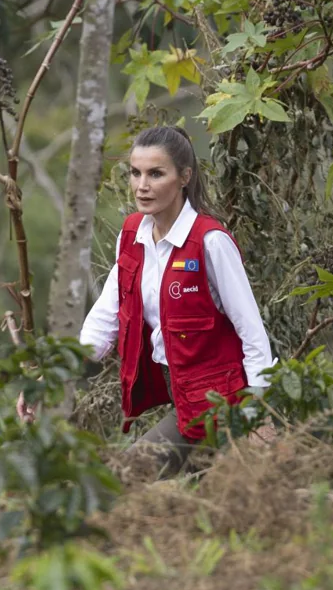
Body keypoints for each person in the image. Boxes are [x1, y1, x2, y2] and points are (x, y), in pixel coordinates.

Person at [24, 125, 276, 475]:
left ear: (184, 177)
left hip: (221, 400)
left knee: (125, 477)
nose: (142, 185)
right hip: (181, 394)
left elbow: (252, 333)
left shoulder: (209, 242)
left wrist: (257, 414)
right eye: (136, 173)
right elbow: (103, 321)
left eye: (156, 174)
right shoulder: (132, 236)